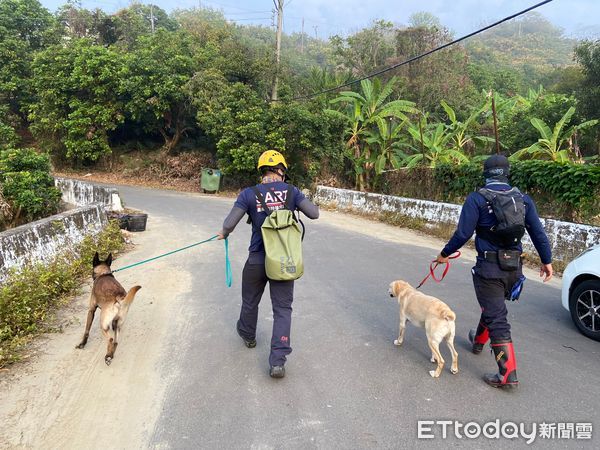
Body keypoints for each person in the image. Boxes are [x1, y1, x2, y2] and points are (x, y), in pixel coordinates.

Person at [436, 154, 553, 389]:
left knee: (496, 316)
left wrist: (444, 254)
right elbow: (538, 233)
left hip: (489, 268)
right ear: (508, 173)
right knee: (493, 306)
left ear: (485, 173)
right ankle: (478, 341)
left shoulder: (477, 199)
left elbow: (462, 234)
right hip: (514, 269)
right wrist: (546, 260)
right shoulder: (523, 199)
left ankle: (507, 373)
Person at [217, 150, 319, 378]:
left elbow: (229, 223)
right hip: (283, 261)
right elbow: (314, 214)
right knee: (282, 309)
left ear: (262, 170)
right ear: (282, 170)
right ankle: (277, 362)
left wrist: (223, 233)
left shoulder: (249, 193)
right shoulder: (292, 191)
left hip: (257, 258)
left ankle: (248, 336)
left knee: (250, 301)